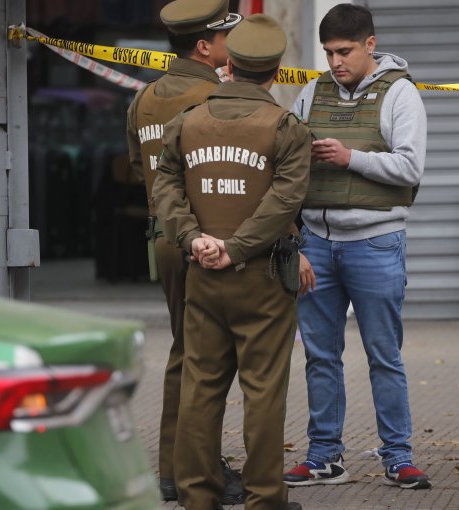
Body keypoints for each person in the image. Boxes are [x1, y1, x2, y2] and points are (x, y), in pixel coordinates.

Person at [152, 13, 310, 510]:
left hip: (201, 273)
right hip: (261, 278)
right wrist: (237, 248)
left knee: (200, 389)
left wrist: (195, 238)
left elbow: (164, 184)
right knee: (263, 393)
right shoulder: (285, 127)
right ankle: (265, 498)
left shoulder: (189, 121)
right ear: (276, 70)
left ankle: (199, 496)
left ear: (231, 64)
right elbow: (284, 201)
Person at [283, 3, 430, 490]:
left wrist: (351, 158)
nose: (335, 62)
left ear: (370, 44)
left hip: (375, 242)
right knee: (320, 356)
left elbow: (410, 168)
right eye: (328, 53)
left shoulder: (401, 94)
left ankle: (399, 457)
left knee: (383, 354)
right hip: (317, 244)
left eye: (344, 51)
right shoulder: (311, 92)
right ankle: (325, 456)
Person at [124, 0, 244, 503]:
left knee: (184, 351)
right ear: (204, 46)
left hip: (163, 239)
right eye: (224, 39)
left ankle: (174, 468)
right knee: (210, 360)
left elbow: (138, 169)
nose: (229, 47)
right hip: (206, 242)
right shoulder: (216, 96)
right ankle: (202, 469)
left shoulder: (144, 98)